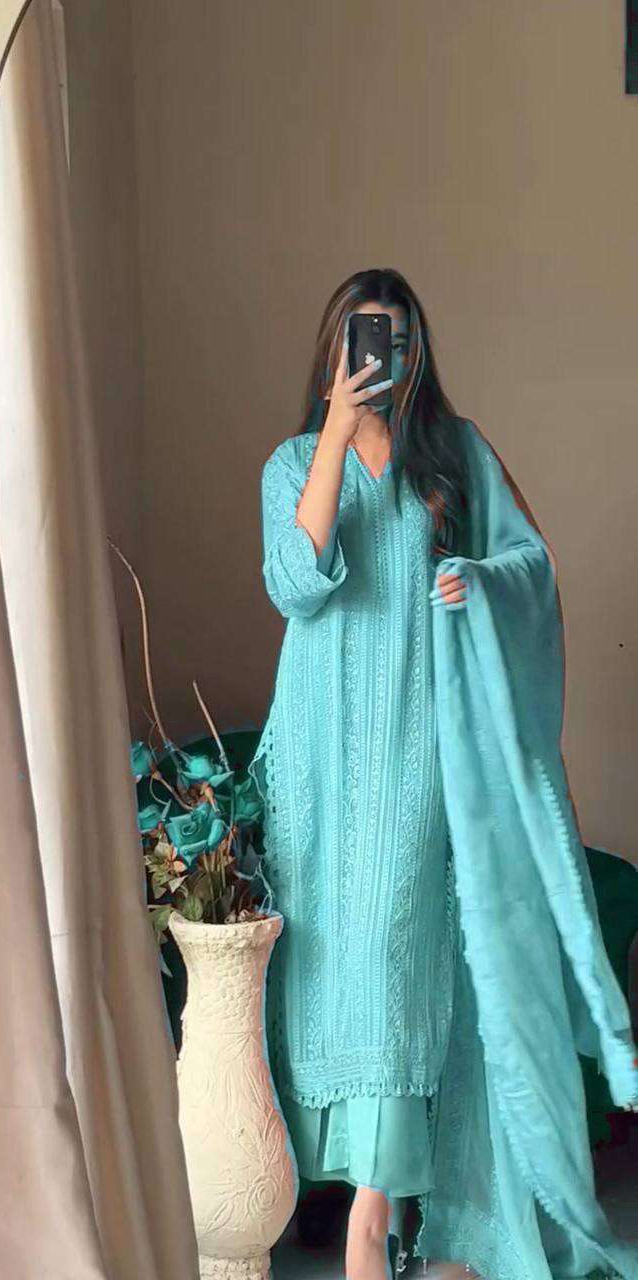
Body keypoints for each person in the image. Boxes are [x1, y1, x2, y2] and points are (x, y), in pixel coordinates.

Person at [248, 267, 638, 1280]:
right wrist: (337, 430)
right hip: (321, 759)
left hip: (424, 743)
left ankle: (373, 1218)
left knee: (396, 948)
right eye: (363, 337)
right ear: (336, 349)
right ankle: (380, 1208)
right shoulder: (293, 461)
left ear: (418, 350)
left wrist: (477, 581)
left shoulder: (455, 454)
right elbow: (294, 583)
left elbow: (531, 568)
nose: (382, 355)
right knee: (337, 968)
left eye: (397, 337)